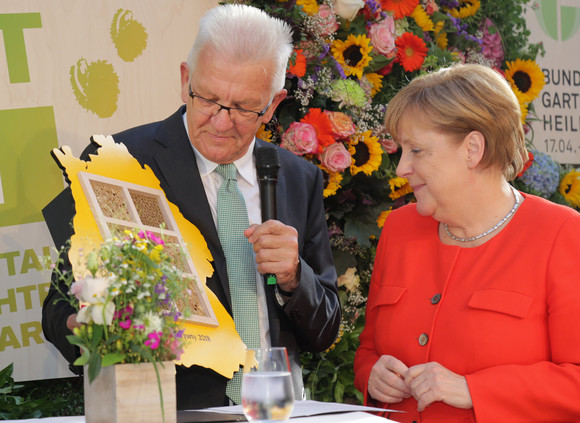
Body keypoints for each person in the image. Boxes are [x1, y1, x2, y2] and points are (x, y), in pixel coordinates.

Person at [42, 4, 341, 410]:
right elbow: (59, 310)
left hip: (277, 410)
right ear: (186, 80)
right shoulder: (118, 162)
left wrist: (294, 278)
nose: (220, 122)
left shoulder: (296, 178)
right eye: (209, 99)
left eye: (243, 108)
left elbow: (324, 331)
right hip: (167, 409)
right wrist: (99, 328)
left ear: (273, 105)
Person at [353, 63, 580, 422]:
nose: (400, 169)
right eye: (401, 151)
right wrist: (373, 374)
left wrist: (475, 390)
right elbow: (368, 349)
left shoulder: (561, 234)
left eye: (417, 151)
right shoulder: (398, 228)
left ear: (473, 149)